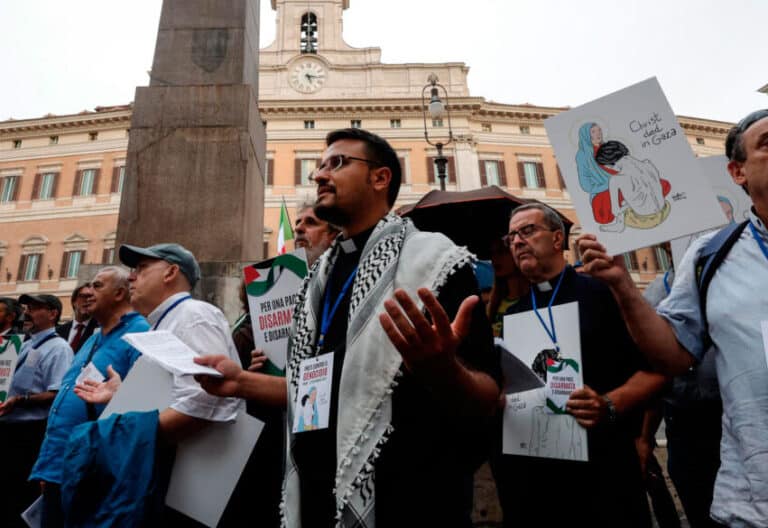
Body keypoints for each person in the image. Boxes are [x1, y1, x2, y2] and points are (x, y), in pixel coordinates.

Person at [197, 127, 501, 528]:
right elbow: (317, 390)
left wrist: (443, 368)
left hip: (409, 502)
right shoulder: (316, 280)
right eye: (320, 166)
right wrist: (238, 382)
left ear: (380, 178)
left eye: (337, 163)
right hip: (319, 498)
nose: (320, 174)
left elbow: (489, 396)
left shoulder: (434, 263)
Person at [577, 108, 768, 527]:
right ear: (738, 173)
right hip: (751, 504)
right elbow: (673, 358)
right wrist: (624, 286)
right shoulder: (709, 256)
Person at [496, 203, 667, 527]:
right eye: (511, 237)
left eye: (528, 231)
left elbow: (659, 370)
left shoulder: (605, 293)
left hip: (604, 467)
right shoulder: (514, 314)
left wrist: (608, 404)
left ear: (558, 237)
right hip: (538, 474)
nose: (517, 241)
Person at [77, 243, 242, 525]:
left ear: (171, 272)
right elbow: (177, 392)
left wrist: (120, 438)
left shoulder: (192, 316)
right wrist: (124, 395)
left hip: (191, 491)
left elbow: (205, 403)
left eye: (141, 269)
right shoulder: (165, 321)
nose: (131, 277)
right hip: (171, 484)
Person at [28, 266, 149, 527]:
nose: (87, 293)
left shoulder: (141, 334)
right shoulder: (93, 338)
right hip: (59, 467)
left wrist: (121, 396)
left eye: (97, 286)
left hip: (93, 471)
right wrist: (49, 464)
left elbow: (146, 406)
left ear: (119, 293)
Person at [644, 265, 719, 528]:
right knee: (698, 505)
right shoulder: (653, 293)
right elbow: (648, 368)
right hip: (682, 423)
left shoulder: (728, 278)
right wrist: (644, 436)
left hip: (730, 416)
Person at [0, 294, 72, 528]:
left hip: (29, 433)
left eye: (35, 308)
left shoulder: (59, 348)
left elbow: (57, 393)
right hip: (8, 426)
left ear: (53, 314)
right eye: (27, 308)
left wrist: (21, 400)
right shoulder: (24, 343)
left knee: (19, 493)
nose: (28, 312)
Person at [594, 140, 671, 232]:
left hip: (644, 220)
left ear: (609, 165)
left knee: (622, 204)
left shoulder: (616, 179)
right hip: (665, 209)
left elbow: (616, 211)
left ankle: (619, 226)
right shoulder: (648, 164)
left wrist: (625, 205)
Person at [294, 200, 340, 266]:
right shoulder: (281, 273)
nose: (298, 228)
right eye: (298, 223)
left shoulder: (353, 271)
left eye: (310, 222)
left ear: (332, 235)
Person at [56, 283, 97, 353]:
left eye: (91, 297)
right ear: (74, 302)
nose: (88, 300)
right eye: (83, 296)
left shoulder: (100, 329)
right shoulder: (58, 331)